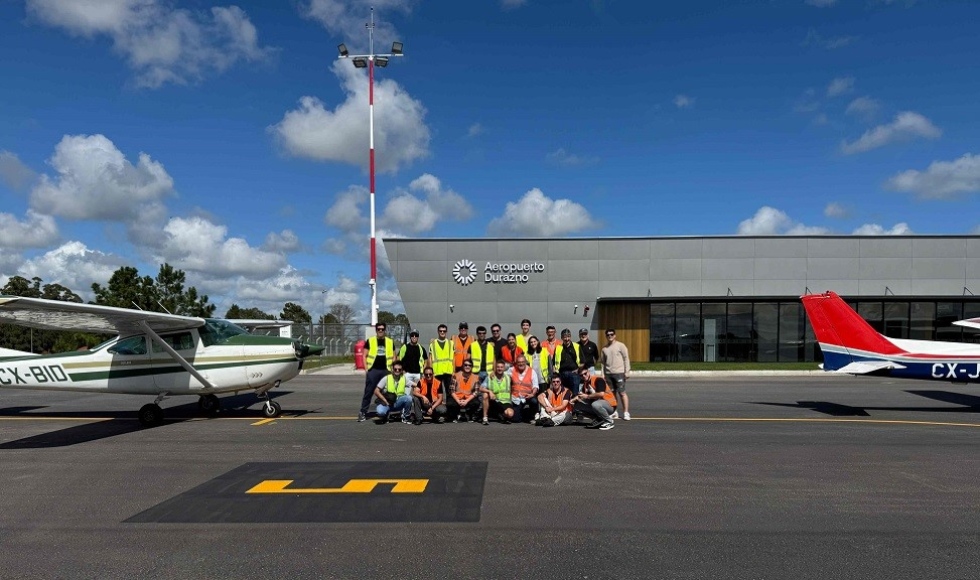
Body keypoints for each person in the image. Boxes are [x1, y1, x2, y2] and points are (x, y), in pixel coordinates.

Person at [359, 322, 394, 422]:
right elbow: (364, 355)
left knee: (387, 393)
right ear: (376, 330)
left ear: (385, 330)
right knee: (368, 392)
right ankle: (363, 412)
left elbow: (394, 356)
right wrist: (366, 369)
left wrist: (392, 369)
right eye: (378, 329)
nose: (380, 331)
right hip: (373, 370)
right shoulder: (370, 341)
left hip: (386, 370)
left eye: (382, 329)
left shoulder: (389, 342)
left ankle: (385, 412)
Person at [571, 365, 616, 430]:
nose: (584, 376)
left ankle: (609, 421)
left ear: (588, 372)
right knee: (576, 407)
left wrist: (587, 396)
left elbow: (601, 394)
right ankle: (599, 419)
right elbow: (581, 396)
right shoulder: (585, 384)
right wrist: (572, 400)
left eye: (585, 373)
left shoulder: (598, 379)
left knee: (595, 404)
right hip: (599, 404)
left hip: (610, 404)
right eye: (581, 375)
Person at [601, 328, 632, 421]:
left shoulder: (621, 346)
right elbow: (603, 363)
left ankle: (626, 412)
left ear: (615, 335)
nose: (610, 336)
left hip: (619, 373)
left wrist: (627, 371)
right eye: (608, 335)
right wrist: (602, 374)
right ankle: (614, 412)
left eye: (611, 334)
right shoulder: (604, 349)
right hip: (608, 374)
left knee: (622, 393)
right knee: (612, 394)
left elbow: (626, 358)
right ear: (606, 336)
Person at [480, 360, 514, 425]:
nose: (499, 369)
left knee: (510, 414)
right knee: (485, 395)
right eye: (498, 367)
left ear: (504, 368)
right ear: (495, 368)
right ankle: (485, 418)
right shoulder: (490, 377)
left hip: (505, 401)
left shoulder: (508, 377)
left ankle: (499, 415)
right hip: (494, 400)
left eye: (501, 367)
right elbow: (481, 388)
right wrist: (489, 391)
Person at [509, 355, 539, 422]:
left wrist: (532, 394)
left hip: (528, 397)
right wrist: (494, 372)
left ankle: (531, 416)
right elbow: (502, 374)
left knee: (534, 401)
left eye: (522, 362)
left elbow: (535, 386)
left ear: (525, 362)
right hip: (516, 398)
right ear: (516, 363)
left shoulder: (532, 371)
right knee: (516, 420)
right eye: (519, 362)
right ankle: (523, 413)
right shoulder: (512, 370)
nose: (521, 364)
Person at [552, 328, 581, 395]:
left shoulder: (576, 346)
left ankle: (574, 405)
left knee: (574, 393)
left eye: (568, 336)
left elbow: (582, 361)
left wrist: (578, 369)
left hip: (574, 374)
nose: (567, 339)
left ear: (570, 337)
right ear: (562, 338)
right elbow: (554, 362)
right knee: (563, 394)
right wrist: (555, 373)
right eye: (565, 337)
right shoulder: (558, 348)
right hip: (562, 374)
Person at [429, 324, 454, 397]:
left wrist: (454, 371)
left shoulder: (451, 343)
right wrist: (430, 371)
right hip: (437, 372)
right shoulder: (432, 344)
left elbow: (453, 358)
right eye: (440, 331)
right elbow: (430, 358)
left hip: (448, 371)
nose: (442, 332)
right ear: (438, 331)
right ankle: (436, 407)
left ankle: (450, 407)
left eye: (444, 331)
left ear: (446, 332)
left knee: (449, 392)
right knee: (437, 391)